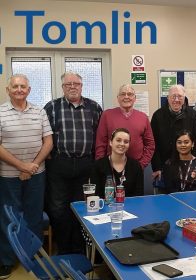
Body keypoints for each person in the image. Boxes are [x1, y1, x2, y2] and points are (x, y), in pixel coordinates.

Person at [0, 74, 53, 279]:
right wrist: (22, 166)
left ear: (29, 90)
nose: (19, 89)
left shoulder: (39, 111)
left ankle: (34, 257)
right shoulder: (1, 112)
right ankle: (5, 260)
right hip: (7, 176)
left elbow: (48, 142)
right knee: (8, 218)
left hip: (36, 174)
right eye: (15, 86)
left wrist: (32, 167)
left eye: (23, 86)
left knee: (34, 216)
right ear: (8, 90)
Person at [44, 71, 102, 254]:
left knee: (82, 207)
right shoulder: (52, 107)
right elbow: (44, 136)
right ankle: (64, 247)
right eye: (68, 84)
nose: (72, 87)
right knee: (58, 207)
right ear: (62, 87)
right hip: (60, 163)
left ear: (81, 86)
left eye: (75, 83)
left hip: (86, 165)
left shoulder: (94, 108)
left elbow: (100, 136)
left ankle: (79, 247)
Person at [151, 84, 196, 187]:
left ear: (184, 98)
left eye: (180, 96)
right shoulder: (158, 116)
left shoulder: (192, 114)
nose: (176, 99)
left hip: (187, 165)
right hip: (165, 166)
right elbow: (153, 144)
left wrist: (194, 162)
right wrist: (157, 168)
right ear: (168, 98)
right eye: (173, 96)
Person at [95, 84, 155, 169]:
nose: (126, 97)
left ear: (135, 98)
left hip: (136, 167)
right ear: (118, 98)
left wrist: (141, 165)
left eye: (130, 94)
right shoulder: (107, 115)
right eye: (123, 94)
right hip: (111, 167)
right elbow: (100, 143)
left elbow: (150, 144)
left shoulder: (143, 117)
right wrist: (101, 165)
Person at [91, 128, 144, 197]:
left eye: (126, 142)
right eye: (118, 140)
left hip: (130, 207)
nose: (122, 144)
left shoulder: (136, 166)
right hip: (105, 206)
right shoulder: (98, 166)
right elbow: (95, 195)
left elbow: (139, 196)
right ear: (111, 142)